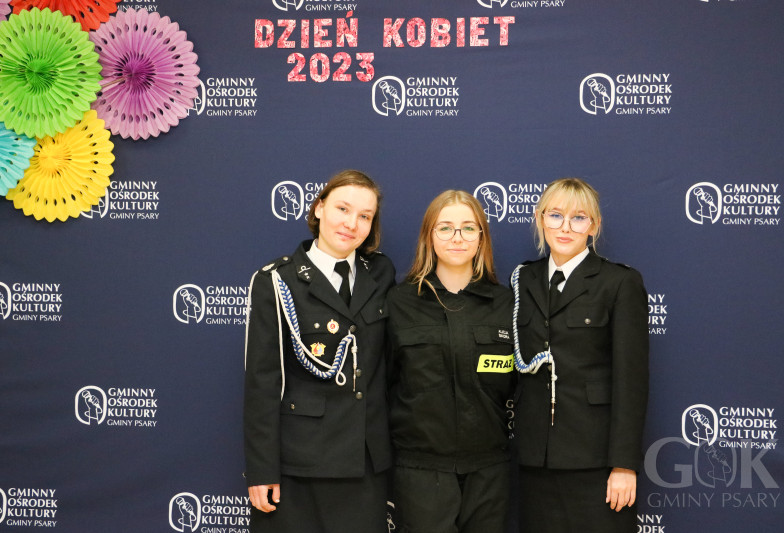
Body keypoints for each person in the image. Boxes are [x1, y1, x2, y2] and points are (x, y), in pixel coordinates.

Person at [243, 170, 395, 533]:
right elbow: (263, 383)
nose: (351, 224)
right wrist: (262, 470)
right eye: (343, 208)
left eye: (364, 216)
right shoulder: (277, 281)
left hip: (365, 463)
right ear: (319, 208)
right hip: (301, 464)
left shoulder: (381, 274)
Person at [511, 177, 649, 533]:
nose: (566, 227)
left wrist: (624, 465)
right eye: (556, 215)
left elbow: (630, 381)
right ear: (540, 219)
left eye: (579, 218)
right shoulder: (523, 280)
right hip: (534, 461)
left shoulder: (619, 283)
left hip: (596, 461)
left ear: (594, 226)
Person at [387, 190, 515, 533]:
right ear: (429, 236)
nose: (457, 237)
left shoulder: (506, 304)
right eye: (445, 228)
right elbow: (381, 386)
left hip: (489, 473)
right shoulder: (399, 303)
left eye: (468, 228)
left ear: (481, 237)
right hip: (420, 472)